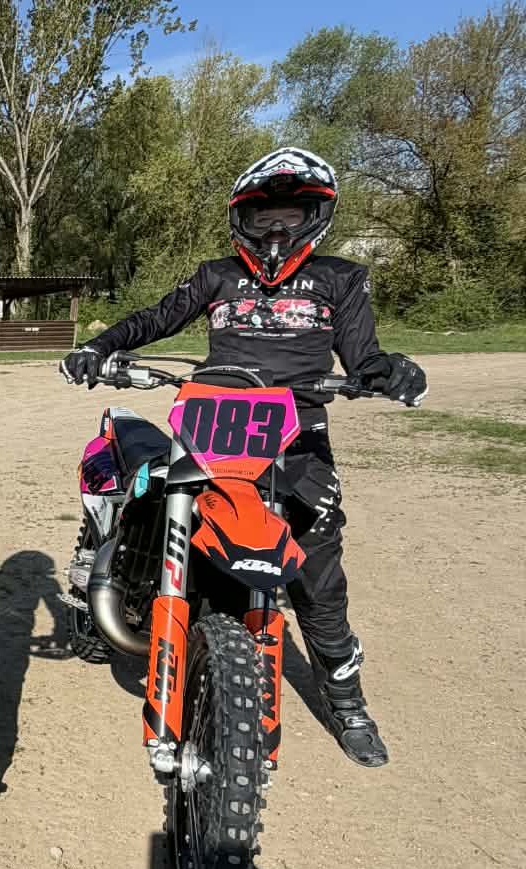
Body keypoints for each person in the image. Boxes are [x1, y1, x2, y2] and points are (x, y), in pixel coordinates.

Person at [61, 147, 426, 767]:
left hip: (298, 436)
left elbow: (362, 356)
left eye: (292, 215)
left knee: (317, 579)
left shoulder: (342, 279)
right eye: (264, 217)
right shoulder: (216, 275)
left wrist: (387, 371)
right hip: (214, 425)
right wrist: (100, 346)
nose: (277, 230)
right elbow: (158, 317)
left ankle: (348, 705)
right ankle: (143, 611)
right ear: (242, 219)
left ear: (316, 217)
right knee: (161, 516)